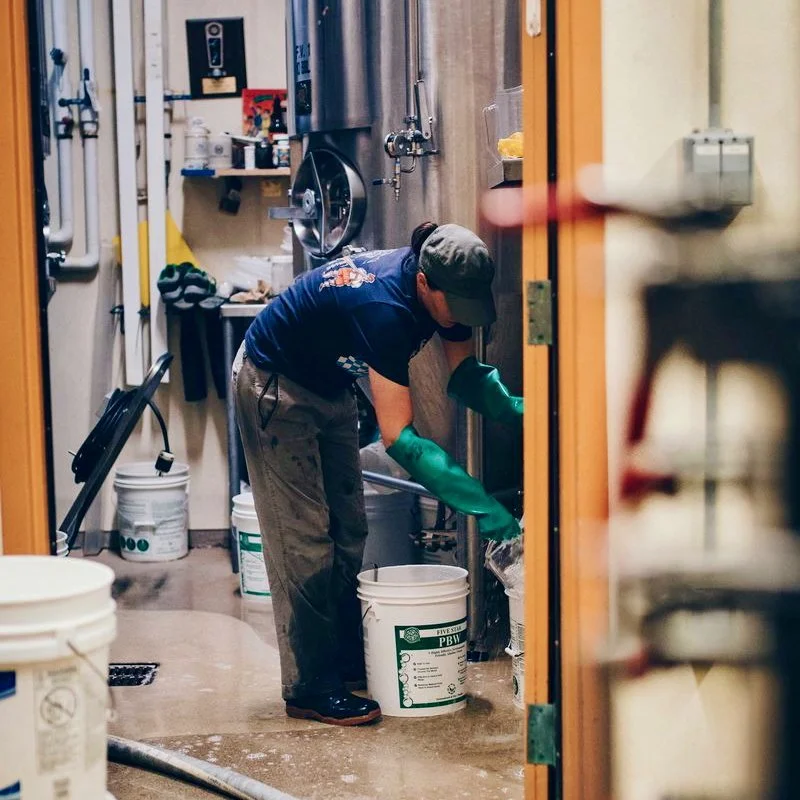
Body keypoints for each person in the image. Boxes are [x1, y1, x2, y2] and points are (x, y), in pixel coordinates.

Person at [232, 222, 523, 726]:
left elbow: (465, 379)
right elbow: (402, 440)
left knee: (348, 530)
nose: (460, 317)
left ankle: (343, 661)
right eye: (453, 305)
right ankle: (310, 687)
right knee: (303, 541)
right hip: (276, 387)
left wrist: (526, 411)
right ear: (425, 284)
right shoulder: (383, 308)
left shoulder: (449, 292)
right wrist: (483, 506)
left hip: (331, 387)